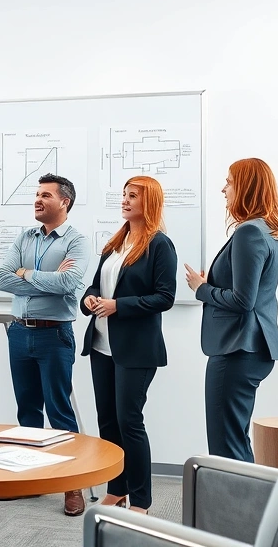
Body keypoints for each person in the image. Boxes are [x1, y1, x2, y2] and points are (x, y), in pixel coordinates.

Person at [79, 176, 177, 514]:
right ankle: (117, 489)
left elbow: (165, 297)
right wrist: (91, 299)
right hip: (101, 345)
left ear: (148, 202)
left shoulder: (159, 245)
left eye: (132, 195)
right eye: (124, 194)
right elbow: (95, 285)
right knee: (107, 421)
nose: (124, 200)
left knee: (129, 421)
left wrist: (118, 306)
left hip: (136, 349)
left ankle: (141, 499)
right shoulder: (115, 242)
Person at [0, 173, 90, 517]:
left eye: (45, 195)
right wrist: (44, 280)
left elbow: (68, 283)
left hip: (55, 335)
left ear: (64, 201)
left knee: (60, 411)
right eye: (37, 194)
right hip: (19, 332)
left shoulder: (77, 242)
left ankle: (71, 486)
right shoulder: (25, 237)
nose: (37, 199)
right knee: (27, 411)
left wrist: (25, 274)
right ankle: (29, 479)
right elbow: (2, 279)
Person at [185, 157, 278, 462]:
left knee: (226, 447)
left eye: (229, 182)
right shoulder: (267, 231)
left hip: (238, 348)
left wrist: (202, 289)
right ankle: (251, 495)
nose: (223, 189)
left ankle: (240, 496)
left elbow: (244, 301)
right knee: (235, 440)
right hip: (251, 348)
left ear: (246, 187)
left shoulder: (249, 233)